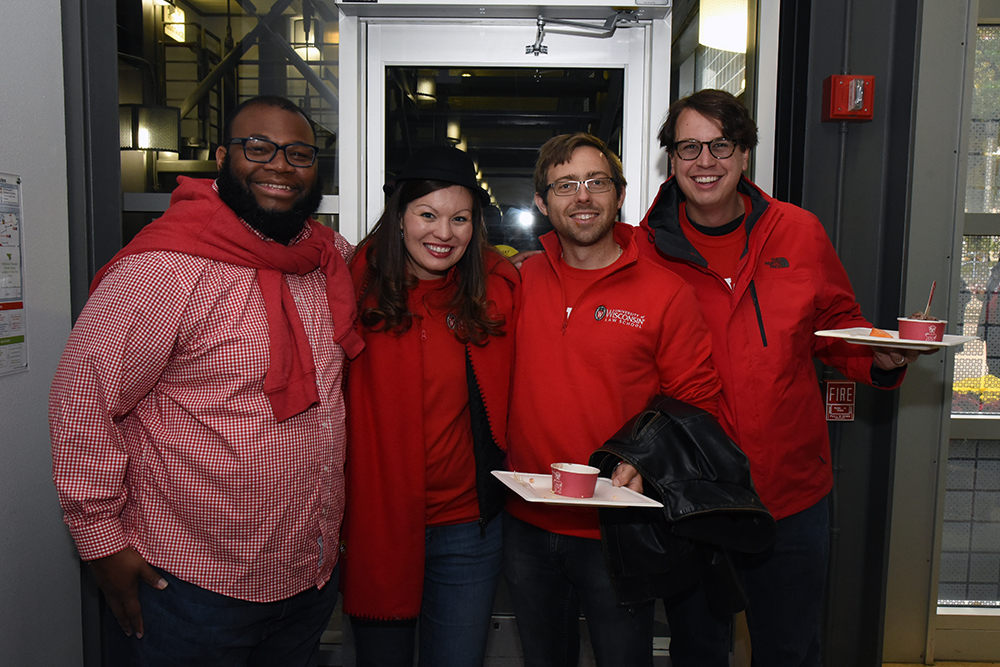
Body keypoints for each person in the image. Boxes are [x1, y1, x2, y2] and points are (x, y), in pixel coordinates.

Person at [49, 95, 363, 667]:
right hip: (191, 586)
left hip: (307, 576)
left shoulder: (326, 259)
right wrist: (101, 543)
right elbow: (83, 403)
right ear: (222, 157)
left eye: (299, 154)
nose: (280, 166)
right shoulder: (164, 268)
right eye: (258, 148)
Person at [638, 89, 925, 667]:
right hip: (690, 495)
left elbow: (836, 325)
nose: (705, 161)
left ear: (745, 155)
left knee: (790, 649)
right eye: (689, 146)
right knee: (696, 650)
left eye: (721, 144)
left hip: (789, 492)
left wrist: (878, 358)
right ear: (671, 159)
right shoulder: (641, 250)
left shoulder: (799, 232)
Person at [503, 132, 723, 667]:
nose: (583, 196)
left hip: (617, 528)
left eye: (596, 182)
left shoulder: (665, 292)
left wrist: (646, 463)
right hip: (526, 518)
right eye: (565, 185)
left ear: (619, 194)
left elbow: (697, 404)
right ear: (542, 203)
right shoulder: (516, 280)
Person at [340, 145, 520, 667]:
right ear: (398, 218)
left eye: (460, 218)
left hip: (468, 528)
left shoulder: (497, 292)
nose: (444, 232)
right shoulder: (352, 287)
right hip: (379, 524)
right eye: (428, 214)